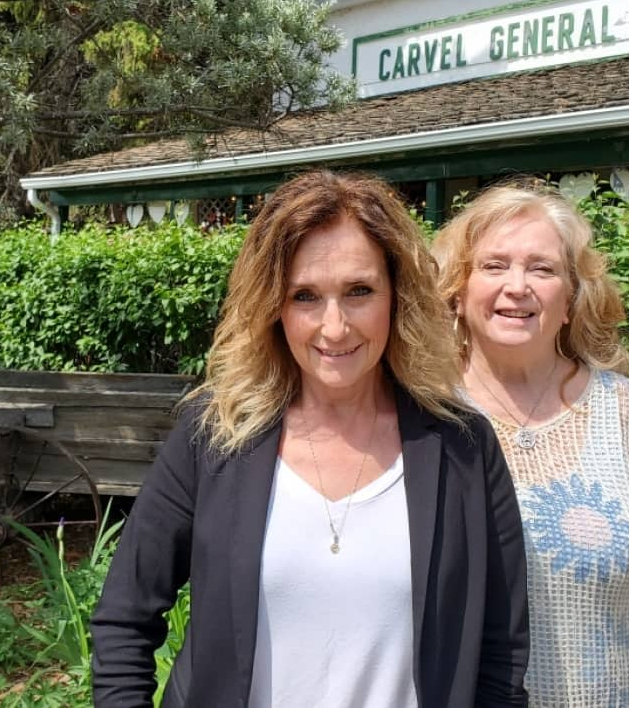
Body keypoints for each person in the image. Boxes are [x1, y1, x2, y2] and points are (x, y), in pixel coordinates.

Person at [91, 169, 530, 707]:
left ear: (398, 297)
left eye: (359, 291)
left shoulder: (462, 446)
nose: (334, 326)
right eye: (305, 296)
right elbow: (124, 619)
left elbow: (501, 652)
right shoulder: (216, 437)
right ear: (273, 306)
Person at [433, 180, 629, 708]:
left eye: (542, 269)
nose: (517, 285)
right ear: (457, 291)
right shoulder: (425, 416)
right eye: (494, 265)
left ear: (571, 299)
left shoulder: (628, 412)